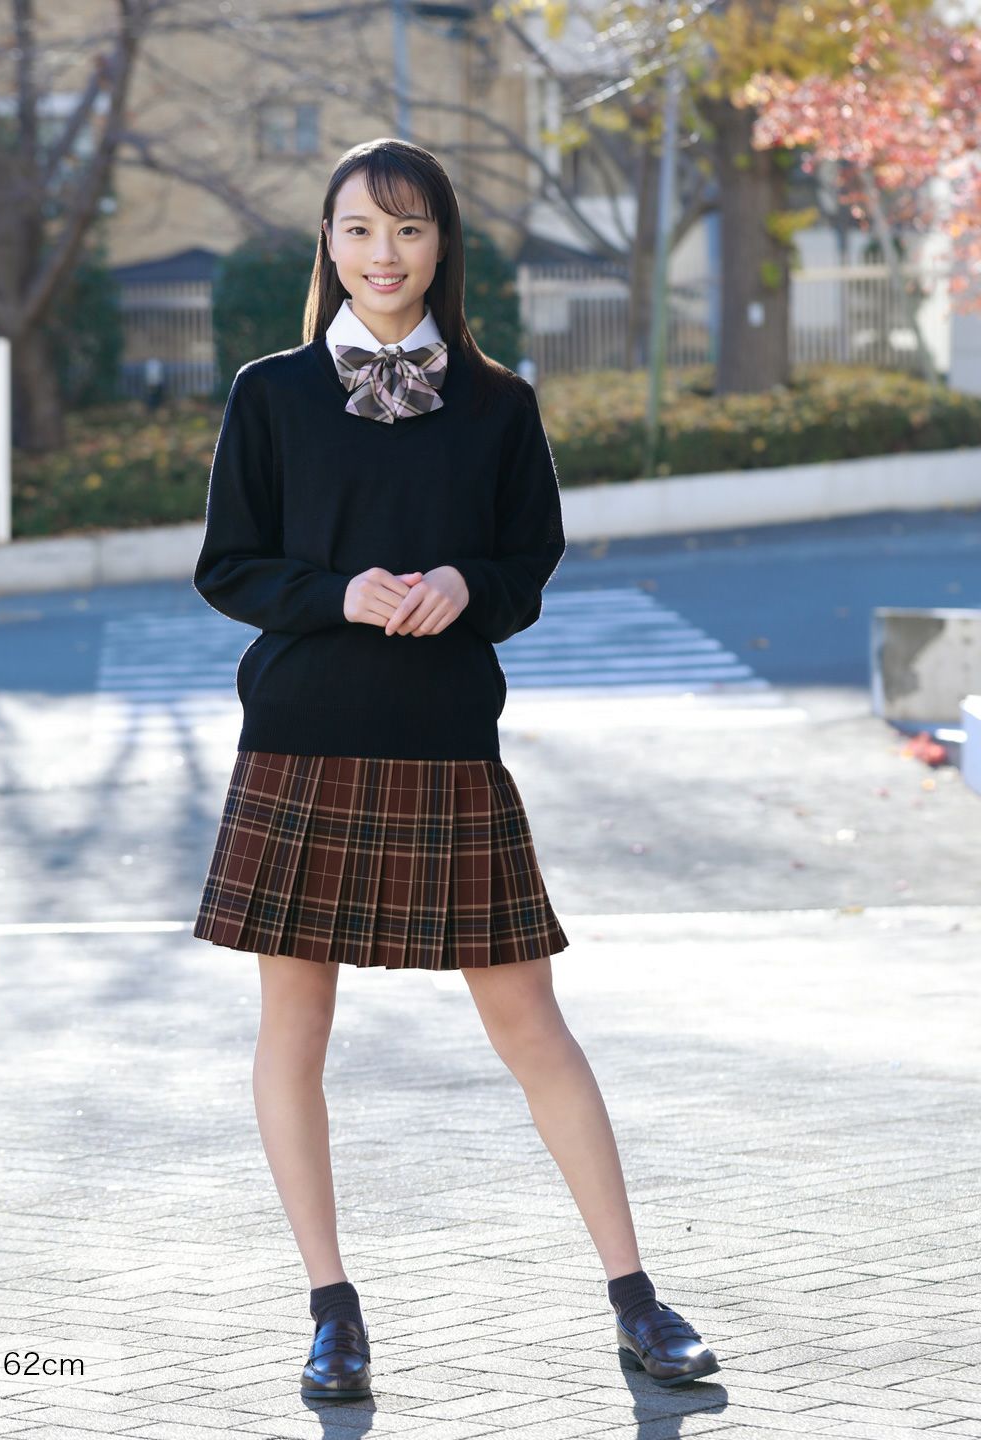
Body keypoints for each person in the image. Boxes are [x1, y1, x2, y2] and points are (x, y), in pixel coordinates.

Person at [190, 136, 720, 1402]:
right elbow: (229, 568)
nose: (385, 254)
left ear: (443, 245)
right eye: (360, 229)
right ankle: (332, 1312)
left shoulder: (499, 404)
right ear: (329, 244)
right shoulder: (271, 394)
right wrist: (339, 595)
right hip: (302, 740)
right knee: (294, 1030)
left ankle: (637, 1300)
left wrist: (462, 584)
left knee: (532, 1023)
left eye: (410, 229)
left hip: (446, 746)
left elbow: (528, 568)